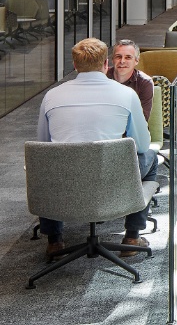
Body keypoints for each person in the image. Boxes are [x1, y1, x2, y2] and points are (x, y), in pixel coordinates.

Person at [36, 38, 157, 258]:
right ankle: (132, 236)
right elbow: (142, 145)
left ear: (74, 65)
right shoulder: (127, 95)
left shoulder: (51, 96)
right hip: (111, 182)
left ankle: (54, 240)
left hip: (66, 184)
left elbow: (43, 144)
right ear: (105, 65)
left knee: (44, 161)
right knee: (151, 157)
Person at [107, 39, 155, 120]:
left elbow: (141, 120)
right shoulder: (103, 77)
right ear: (112, 60)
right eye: (118, 57)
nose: (122, 61)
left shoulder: (144, 83)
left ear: (136, 61)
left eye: (128, 57)